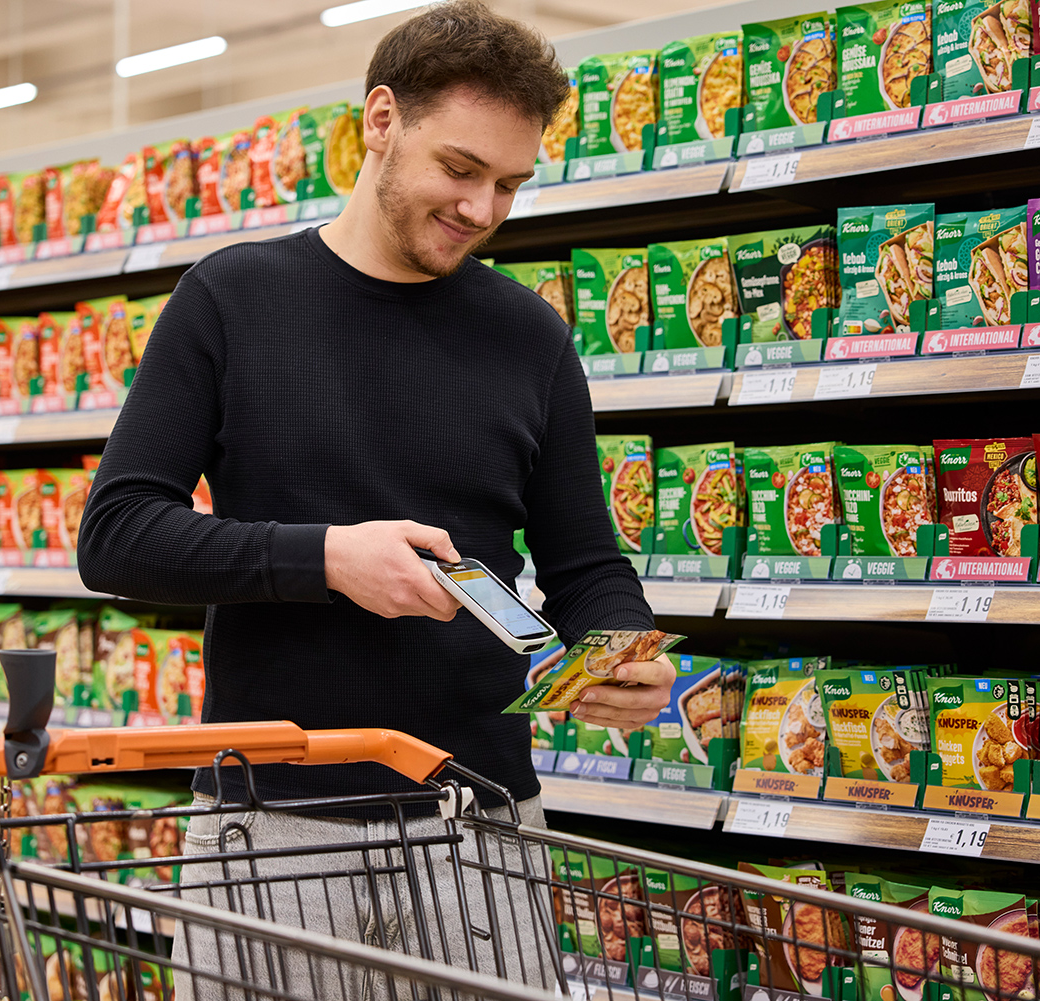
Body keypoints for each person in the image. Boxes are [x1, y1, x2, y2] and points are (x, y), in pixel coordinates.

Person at [76, 1, 673, 993]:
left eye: (509, 184)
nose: (481, 209)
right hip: (272, 825)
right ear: (382, 120)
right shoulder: (230, 298)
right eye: (460, 168)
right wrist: (326, 558)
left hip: (477, 821)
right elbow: (118, 533)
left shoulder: (530, 335)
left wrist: (621, 647)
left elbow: (584, 562)